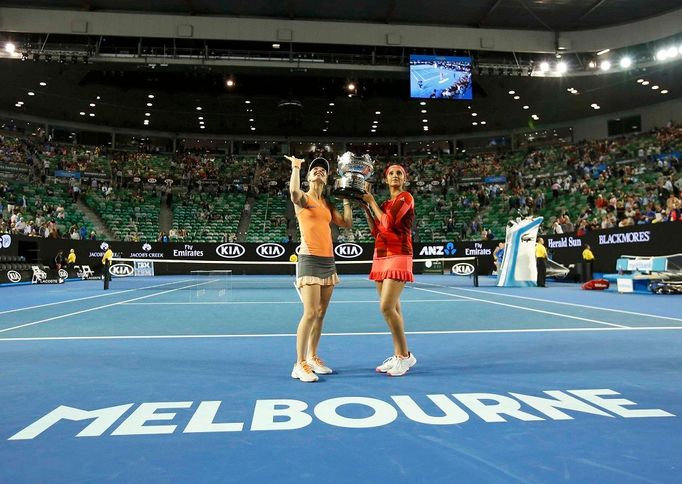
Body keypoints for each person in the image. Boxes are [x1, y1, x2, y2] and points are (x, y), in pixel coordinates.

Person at [286, 155, 353, 383]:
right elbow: (293, 193)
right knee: (310, 312)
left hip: (328, 261)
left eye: (323, 170)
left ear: (327, 178)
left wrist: (346, 198)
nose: (319, 171)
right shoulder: (303, 198)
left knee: (321, 313)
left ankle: (313, 356)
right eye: (314, 169)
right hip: (309, 259)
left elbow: (346, 223)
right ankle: (299, 363)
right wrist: (296, 167)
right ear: (308, 176)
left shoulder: (327, 204)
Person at [362, 164, 417, 377]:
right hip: (380, 255)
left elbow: (390, 223)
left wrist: (371, 202)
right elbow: (376, 229)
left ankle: (404, 357)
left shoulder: (406, 197)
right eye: (391, 174)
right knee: (394, 309)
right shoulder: (385, 203)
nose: (395, 176)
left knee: (386, 307)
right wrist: (365, 207)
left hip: (399, 254)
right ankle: (401, 354)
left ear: (404, 179)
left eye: (399, 173)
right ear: (386, 179)